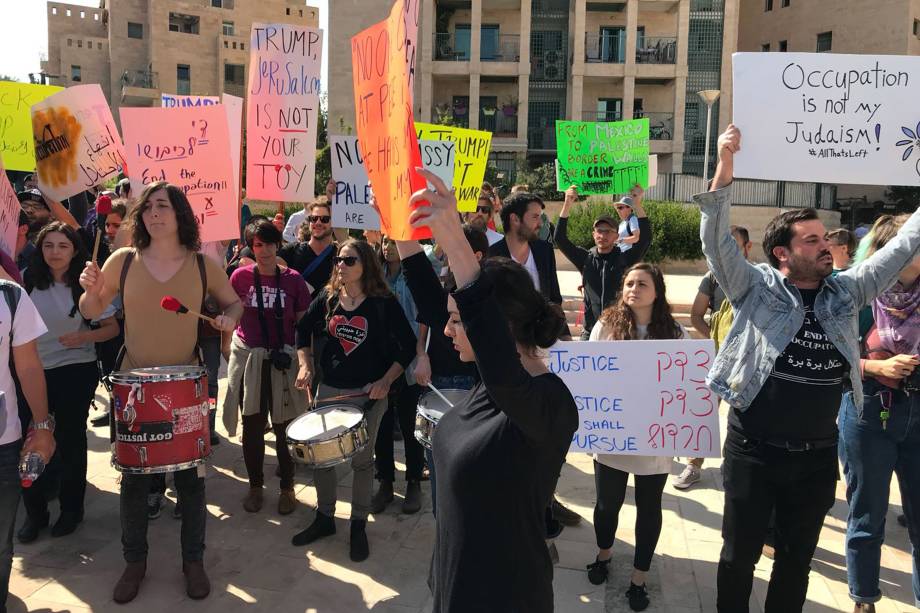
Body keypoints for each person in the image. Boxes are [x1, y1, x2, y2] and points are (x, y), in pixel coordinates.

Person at [698, 125, 920, 613]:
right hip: (752, 450)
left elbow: (902, 246)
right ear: (783, 253)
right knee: (738, 558)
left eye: (826, 238)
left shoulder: (847, 291)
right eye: (813, 240)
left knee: (795, 562)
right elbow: (716, 243)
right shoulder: (755, 288)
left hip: (817, 459)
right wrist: (724, 169)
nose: (826, 246)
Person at [406, 167, 578, 612]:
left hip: (504, 595)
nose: (446, 331)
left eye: (458, 320)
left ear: (496, 328)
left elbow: (503, 367)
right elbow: (427, 290)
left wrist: (454, 238)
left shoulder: (547, 403)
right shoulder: (488, 384)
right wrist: (396, 223)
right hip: (452, 586)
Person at [79, 181, 242, 604]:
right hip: (134, 387)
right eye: (147, 206)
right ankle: (135, 562)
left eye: (163, 206)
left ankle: (193, 561)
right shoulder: (122, 261)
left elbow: (234, 302)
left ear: (180, 214)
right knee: (133, 481)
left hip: (186, 386)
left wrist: (228, 320)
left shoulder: (203, 265)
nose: (154, 213)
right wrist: (90, 290)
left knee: (191, 482)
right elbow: (91, 311)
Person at [292, 239, 416, 561]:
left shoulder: (383, 303)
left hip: (368, 394)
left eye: (349, 260)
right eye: (339, 260)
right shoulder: (329, 297)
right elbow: (302, 329)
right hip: (330, 389)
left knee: (363, 462)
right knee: (323, 459)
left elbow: (407, 345)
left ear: (366, 265)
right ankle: (325, 518)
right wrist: (305, 364)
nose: (341, 265)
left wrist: (386, 381)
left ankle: (358, 525)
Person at [585, 263, 691, 610]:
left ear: (657, 291)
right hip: (613, 439)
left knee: (649, 510)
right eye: (629, 283)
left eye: (642, 283)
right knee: (606, 505)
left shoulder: (674, 333)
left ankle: (639, 577)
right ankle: (603, 554)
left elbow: (685, 383)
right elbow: (590, 374)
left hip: (654, 443)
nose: (633, 288)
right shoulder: (606, 325)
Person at [16, 223, 119, 543]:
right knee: (29, 440)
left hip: (75, 370)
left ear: (75, 250)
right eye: (48, 245)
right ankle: (35, 514)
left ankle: (71, 510)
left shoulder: (87, 284)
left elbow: (111, 329)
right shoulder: (26, 279)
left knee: (70, 439)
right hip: (31, 371)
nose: (55, 252)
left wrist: (83, 336)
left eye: (63, 245)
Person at [839, 214, 920, 613]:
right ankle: (863, 599)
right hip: (869, 411)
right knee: (867, 513)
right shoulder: (856, 293)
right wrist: (876, 367)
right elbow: (835, 356)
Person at [223, 220, 310, 516]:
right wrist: (227, 345)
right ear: (251, 246)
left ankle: (287, 486)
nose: (264, 250)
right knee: (252, 425)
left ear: (278, 245)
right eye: (257, 245)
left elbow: (304, 326)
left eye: (269, 243)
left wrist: (303, 362)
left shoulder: (295, 280)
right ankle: (255, 486)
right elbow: (229, 313)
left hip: (283, 361)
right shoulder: (239, 277)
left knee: (286, 426)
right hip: (250, 358)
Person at [675, 225, 751, 491]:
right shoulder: (712, 278)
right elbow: (697, 315)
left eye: (734, 244)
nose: (727, 251)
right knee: (704, 411)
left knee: (746, 416)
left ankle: (737, 465)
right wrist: (720, 339)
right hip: (719, 358)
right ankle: (693, 466)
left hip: (751, 362)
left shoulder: (759, 278)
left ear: (747, 248)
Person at [0, 277, 55, 612]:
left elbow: (29, 365)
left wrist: (43, 426)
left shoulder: (10, 295)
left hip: (4, 442)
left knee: (0, 542)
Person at [369, 235, 427, 515]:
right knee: (381, 425)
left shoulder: (415, 274)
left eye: (393, 242)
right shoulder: (374, 276)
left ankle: (414, 481)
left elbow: (424, 315)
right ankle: (385, 482)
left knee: (409, 425)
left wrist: (421, 352)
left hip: (410, 360)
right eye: (384, 242)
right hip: (380, 362)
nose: (387, 247)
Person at [555, 185, 652, 340]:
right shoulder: (586, 258)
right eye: (599, 231)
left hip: (620, 333)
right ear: (594, 235)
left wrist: (637, 205)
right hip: (590, 333)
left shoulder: (624, 259)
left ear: (616, 236)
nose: (603, 235)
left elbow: (645, 239)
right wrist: (567, 203)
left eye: (608, 231)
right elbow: (560, 239)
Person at [278, 197, 337, 294]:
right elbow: (268, 267)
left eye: (324, 219)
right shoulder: (291, 251)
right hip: (298, 309)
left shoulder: (339, 255)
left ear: (334, 223)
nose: (318, 222)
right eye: (313, 218)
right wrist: (270, 236)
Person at [282, 179, 336, 244]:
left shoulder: (326, 215)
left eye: (310, 197)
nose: (306, 201)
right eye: (304, 198)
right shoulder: (295, 216)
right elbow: (285, 234)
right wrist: (299, 242)